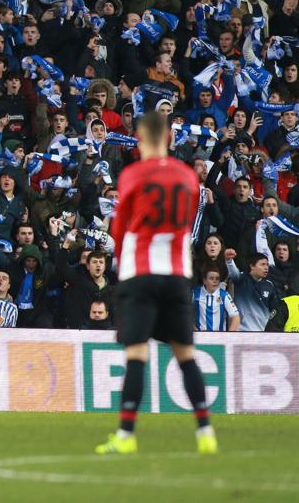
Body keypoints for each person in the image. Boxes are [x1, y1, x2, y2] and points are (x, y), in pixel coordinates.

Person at [96, 110, 216, 456]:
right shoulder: (188, 177)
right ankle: (205, 431)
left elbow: (119, 229)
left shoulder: (133, 175)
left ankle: (126, 434)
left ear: (139, 139)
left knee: (136, 355)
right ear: (170, 138)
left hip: (141, 272)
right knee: (185, 355)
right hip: (177, 273)